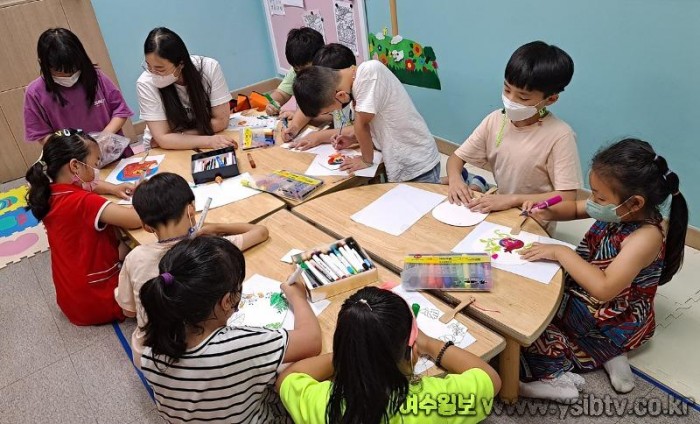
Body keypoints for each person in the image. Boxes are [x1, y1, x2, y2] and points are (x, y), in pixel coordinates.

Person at [518, 138, 688, 402]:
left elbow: (605, 288)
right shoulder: (618, 209)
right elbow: (574, 208)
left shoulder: (646, 236)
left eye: (599, 196)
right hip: (590, 297)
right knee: (538, 297)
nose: (593, 200)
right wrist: (545, 212)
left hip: (613, 316)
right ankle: (610, 354)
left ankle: (557, 378)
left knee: (529, 320)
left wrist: (560, 252)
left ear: (635, 203)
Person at [140, 236, 321, 423]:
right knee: (293, 380)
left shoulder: (151, 351)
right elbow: (312, 341)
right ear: (227, 301)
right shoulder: (236, 345)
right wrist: (298, 297)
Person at [277, 286, 501, 423]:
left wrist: (354, 352)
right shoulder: (433, 402)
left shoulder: (323, 404)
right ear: (411, 350)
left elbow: (287, 378)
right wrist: (430, 344)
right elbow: (490, 379)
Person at [115, 172, 269, 368]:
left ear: (146, 227)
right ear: (191, 210)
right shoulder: (211, 250)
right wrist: (216, 228)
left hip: (146, 355)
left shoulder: (134, 256)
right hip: (198, 359)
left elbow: (128, 311)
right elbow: (261, 232)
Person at [446, 41, 581, 214]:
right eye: (507, 89)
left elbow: (567, 197)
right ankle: (477, 184)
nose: (511, 100)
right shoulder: (496, 119)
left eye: (523, 98)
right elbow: (456, 159)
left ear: (550, 100)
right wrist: (456, 180)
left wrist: (513, 199)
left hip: (534, 215)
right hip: (498, 205)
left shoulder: (561, 135)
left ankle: (479, 184)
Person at [25, 129, 141, 325]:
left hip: (70, 298)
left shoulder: (49, 192)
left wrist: (113, 188)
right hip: (97, 301)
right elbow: (136, 218)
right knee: (149, 259)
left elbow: (91, 185)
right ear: (75, 167)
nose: (96, 169)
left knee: (125, 244)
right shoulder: (84, 202)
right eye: (95, 163)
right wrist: (144, 193)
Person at [24, 28, 135, 200]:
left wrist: (103, 137)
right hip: (77, 169)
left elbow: (120, 111)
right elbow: (42, 135)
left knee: (130, 195)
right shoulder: (35, 93)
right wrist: (79, 149)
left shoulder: (95, 76)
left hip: (114, 156)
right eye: (60, 71)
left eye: (73, 68)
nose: (68, 75)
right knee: (97, 206)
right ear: (43, 64)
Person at [293, 61, 441, 182]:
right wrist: (352, 138)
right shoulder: (356, 86)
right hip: (399, 160)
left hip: (417, 162)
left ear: (341, 95)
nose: (335, 112)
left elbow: (361, 124)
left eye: (330, 110)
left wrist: (366, 160)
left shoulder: (369, 74)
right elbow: (371, 124)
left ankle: (453, 180)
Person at [136, 27, 235, 150]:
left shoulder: (209, 68)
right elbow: (163, 140)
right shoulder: (145, 83)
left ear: (181, 64)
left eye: (160, 69)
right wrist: (208, 141)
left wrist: (178, 136)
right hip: (162, 148)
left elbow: (221, 121)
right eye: (148, 66)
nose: (153, 73)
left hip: (203, 136)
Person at [289, 43, 357, 152]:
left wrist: (319, 136)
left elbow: (362, 129)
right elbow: (310, 105)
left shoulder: (358, 94)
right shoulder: (334, 94)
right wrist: (294, 127)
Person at [264, 27, 324, 143]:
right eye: (297, 70)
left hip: (330, 132)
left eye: (306, 69)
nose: (301, 75)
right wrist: (274, 103)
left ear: (320, 57)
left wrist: (300, 116)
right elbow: (281, 93)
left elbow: (335, 118)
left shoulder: (331, 75)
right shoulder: (296, 71)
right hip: (306, 129)